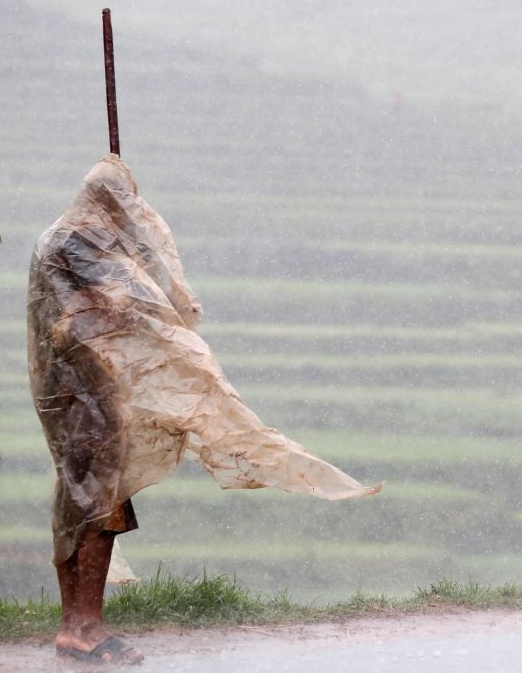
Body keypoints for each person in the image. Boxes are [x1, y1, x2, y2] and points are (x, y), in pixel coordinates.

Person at [28, 155, 380, 664]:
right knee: (97, 508)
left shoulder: (58, 238)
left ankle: (76, 626)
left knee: (83, 504)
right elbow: (135, 301)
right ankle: (85, 626)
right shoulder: (80, 241)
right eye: (125, 205)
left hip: (76, 393)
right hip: (86, 396)